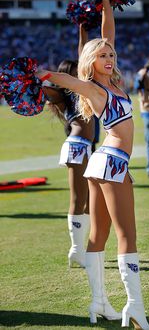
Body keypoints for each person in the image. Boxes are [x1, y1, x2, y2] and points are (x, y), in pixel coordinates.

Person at [36, 0, 149, 330]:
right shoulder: (94, 89)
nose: (109, 58)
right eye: (102, 55)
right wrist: (41, 75)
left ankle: (99, 302)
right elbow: (68, 79)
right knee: (127, 237)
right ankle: (135, 307)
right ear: (91, 62)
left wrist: (105, 4)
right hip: (112, 162)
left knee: (98, 235)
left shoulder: (114, 82)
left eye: (111, 55)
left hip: (103, 162)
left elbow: (109, 34)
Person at [43, 25, 94, 268]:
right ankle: (76, 249)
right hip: (78, 145)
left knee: (87, 201)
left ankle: (82, 249)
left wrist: (83, 29)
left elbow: (83, 55)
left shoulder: (78, 90)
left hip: (86, 147)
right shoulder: (69, 90)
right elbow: (83, 52)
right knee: (78, 199)